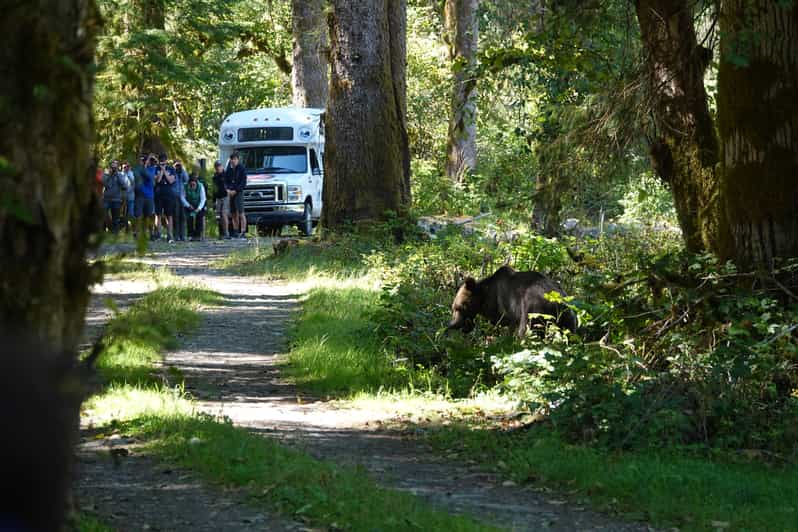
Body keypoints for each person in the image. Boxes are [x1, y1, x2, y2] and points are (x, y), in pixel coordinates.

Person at [153, 153, 176, 242]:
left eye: (164, 160)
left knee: (169, 215)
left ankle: (170, 235)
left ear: (167, 160)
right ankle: (158, 235)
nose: (163, 161)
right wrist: (161, 170)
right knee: (158, 214)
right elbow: (157, 180)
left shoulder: (171, 169)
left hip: (168, 194)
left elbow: (170, 180)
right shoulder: (156, 169)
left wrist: (164, 171)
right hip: (158, 193)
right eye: (161, 160)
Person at [224, 151, 247, 238]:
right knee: (233, 213)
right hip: (230, 193)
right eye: (232, 159)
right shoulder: (228, 169)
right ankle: (235, 231)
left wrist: (236, 190)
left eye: (234, 159)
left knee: (241, 213)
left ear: (238, 159)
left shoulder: (242, 168)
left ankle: (243, 231)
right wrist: (228, 190)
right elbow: (225, 181)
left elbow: (243, 183)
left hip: (238, 192)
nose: (233, 161)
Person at [102, 160, 127, 234]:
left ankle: (115, 233)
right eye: (113, 165)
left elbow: (124, 186)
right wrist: (110, 175)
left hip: (116, 199)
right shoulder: (106, 175)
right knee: (104, 214)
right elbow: (106, 184)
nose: (114, 167)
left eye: (115, 166)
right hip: (107, 199)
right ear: (110, 167)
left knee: (115, 218)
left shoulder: (120, 175)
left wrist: (116, 174)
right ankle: (105, 230)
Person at [135, 155, 156, 238]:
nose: (143, 162)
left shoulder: (152, 169)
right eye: (142, 160)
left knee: (149, 215)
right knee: (138, 215)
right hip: (140, 195)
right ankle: (137, 233)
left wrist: (148, 161)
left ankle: (151, 233)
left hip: (149, 195)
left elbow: (149, 177)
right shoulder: (138, 169)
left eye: (144, 160)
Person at [182, 172, 207, 240]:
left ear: (196, 183)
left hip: (199, 204)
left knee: (199, 218)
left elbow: (203, 199)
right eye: (191, 185)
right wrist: (188, 205)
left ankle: (198, 235)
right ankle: (190, 234)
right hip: (189, 204)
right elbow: (182, 197)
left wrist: (198, 208)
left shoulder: (201, 186)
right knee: (189, 218)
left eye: (194, 185)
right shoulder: (185, 186)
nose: (192, 186)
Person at [212, 160, 230, 239]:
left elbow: (230, 184)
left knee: (224, 214)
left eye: (219, 166)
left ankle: (227, 233)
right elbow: (214, 190)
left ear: (222, 167)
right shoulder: (214, 177)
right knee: (218, 216)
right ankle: (221, 233)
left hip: (225, 196)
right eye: (216, 167)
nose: (218, 168)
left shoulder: (226, 175)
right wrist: (213, 201)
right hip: (218, 198)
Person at [172, 160, 189, 241]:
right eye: (176, 165)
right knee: (175, 216)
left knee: (183, 216)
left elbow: (187, 179)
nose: (178, 167)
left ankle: (183, 235)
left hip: (182, 197)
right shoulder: (172, 172)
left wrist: (182, 169)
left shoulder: (182, 172)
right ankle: (176, 235)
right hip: (174, 197)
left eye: (179, 165)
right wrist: (174, 169)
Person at [121, 161, 136, 232]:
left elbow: (133, 184)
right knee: (124, 213)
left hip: (130, 197)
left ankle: (134, 229)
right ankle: (126, 228)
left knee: (131, 213)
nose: (125, 168)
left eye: (127, 167)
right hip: (123, 197)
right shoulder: (120, 174)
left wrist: (128, 175)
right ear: (122, 168)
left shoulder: (131, 173)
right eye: (124, 167)